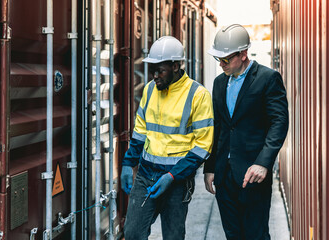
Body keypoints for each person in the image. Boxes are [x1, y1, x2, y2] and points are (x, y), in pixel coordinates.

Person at [120, 36, 214, 240]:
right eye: (152, 70)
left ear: (175, 66)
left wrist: (172, 176)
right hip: (146, 175)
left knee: (173, 236)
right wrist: (128, 163)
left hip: (177, 180)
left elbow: (202, 146)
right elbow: (140, 131)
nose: (154, 76)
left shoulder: (198, 95)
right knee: (133, 233)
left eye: (160, 70)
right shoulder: (150, 89)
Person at [203, 24, 289, 240]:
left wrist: (263, 162)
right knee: (233, 234)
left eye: (225, 59)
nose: (221, 64)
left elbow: (279, 123)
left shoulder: (267, 78)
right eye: (218, 59)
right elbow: (220, 127)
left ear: (243, 54)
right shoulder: (219, 83)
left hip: (253, 173)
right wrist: (210, 167)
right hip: (225, 175)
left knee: (255, 234)